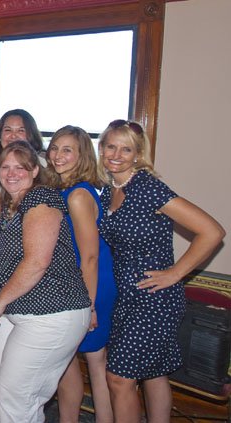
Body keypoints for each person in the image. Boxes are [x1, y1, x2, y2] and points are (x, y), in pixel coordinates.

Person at [97, 119, 225, 423]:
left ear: (138, 154)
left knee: (119, 379)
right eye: (111, 146)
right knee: (154, 373)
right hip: (125, 298)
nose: (117, 154)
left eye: (126, 149)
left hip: (154, 299)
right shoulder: (107, 192)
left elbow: (212, 231)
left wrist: (175, 273)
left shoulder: (148, 188)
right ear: (101, 149)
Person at [0, 140, 91, 423]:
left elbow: (36, 261)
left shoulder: (41, 199)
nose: (12, 173)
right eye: (5, 167)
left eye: (20, 167)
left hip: (52, 311)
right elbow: (1, 256)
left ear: (34, 172)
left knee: (17, 395)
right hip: (16, 309)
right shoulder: (9, 206)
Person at [45, 126, 116, 423]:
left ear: (82, 154)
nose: (58, 155)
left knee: (97, 365)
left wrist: (87, 305)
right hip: (71, 284)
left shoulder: (78, 195)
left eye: (67, 150)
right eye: (55, 148)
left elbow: (89, 255)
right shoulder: (62, 190)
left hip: (91, 286)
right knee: (67, 363)